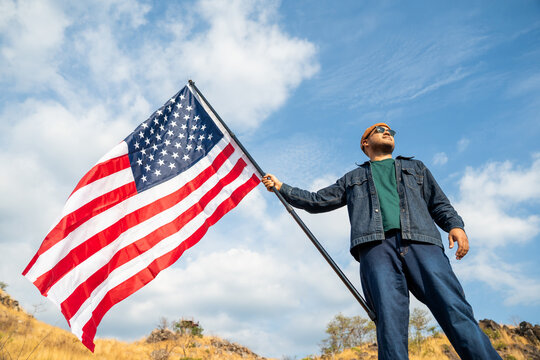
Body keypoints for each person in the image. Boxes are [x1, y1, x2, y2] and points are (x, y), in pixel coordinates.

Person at [262, 123, 501, 360]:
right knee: (389, 324)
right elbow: (317, 200)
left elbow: (439, 203)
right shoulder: (352, 178)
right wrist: (282, 187)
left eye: (390, 131)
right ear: (365, 143)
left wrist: (455, 226)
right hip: (375, 249)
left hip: (422, 243)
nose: (387, 132)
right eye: (379, 130)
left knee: (454, 308)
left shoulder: (415, 167)